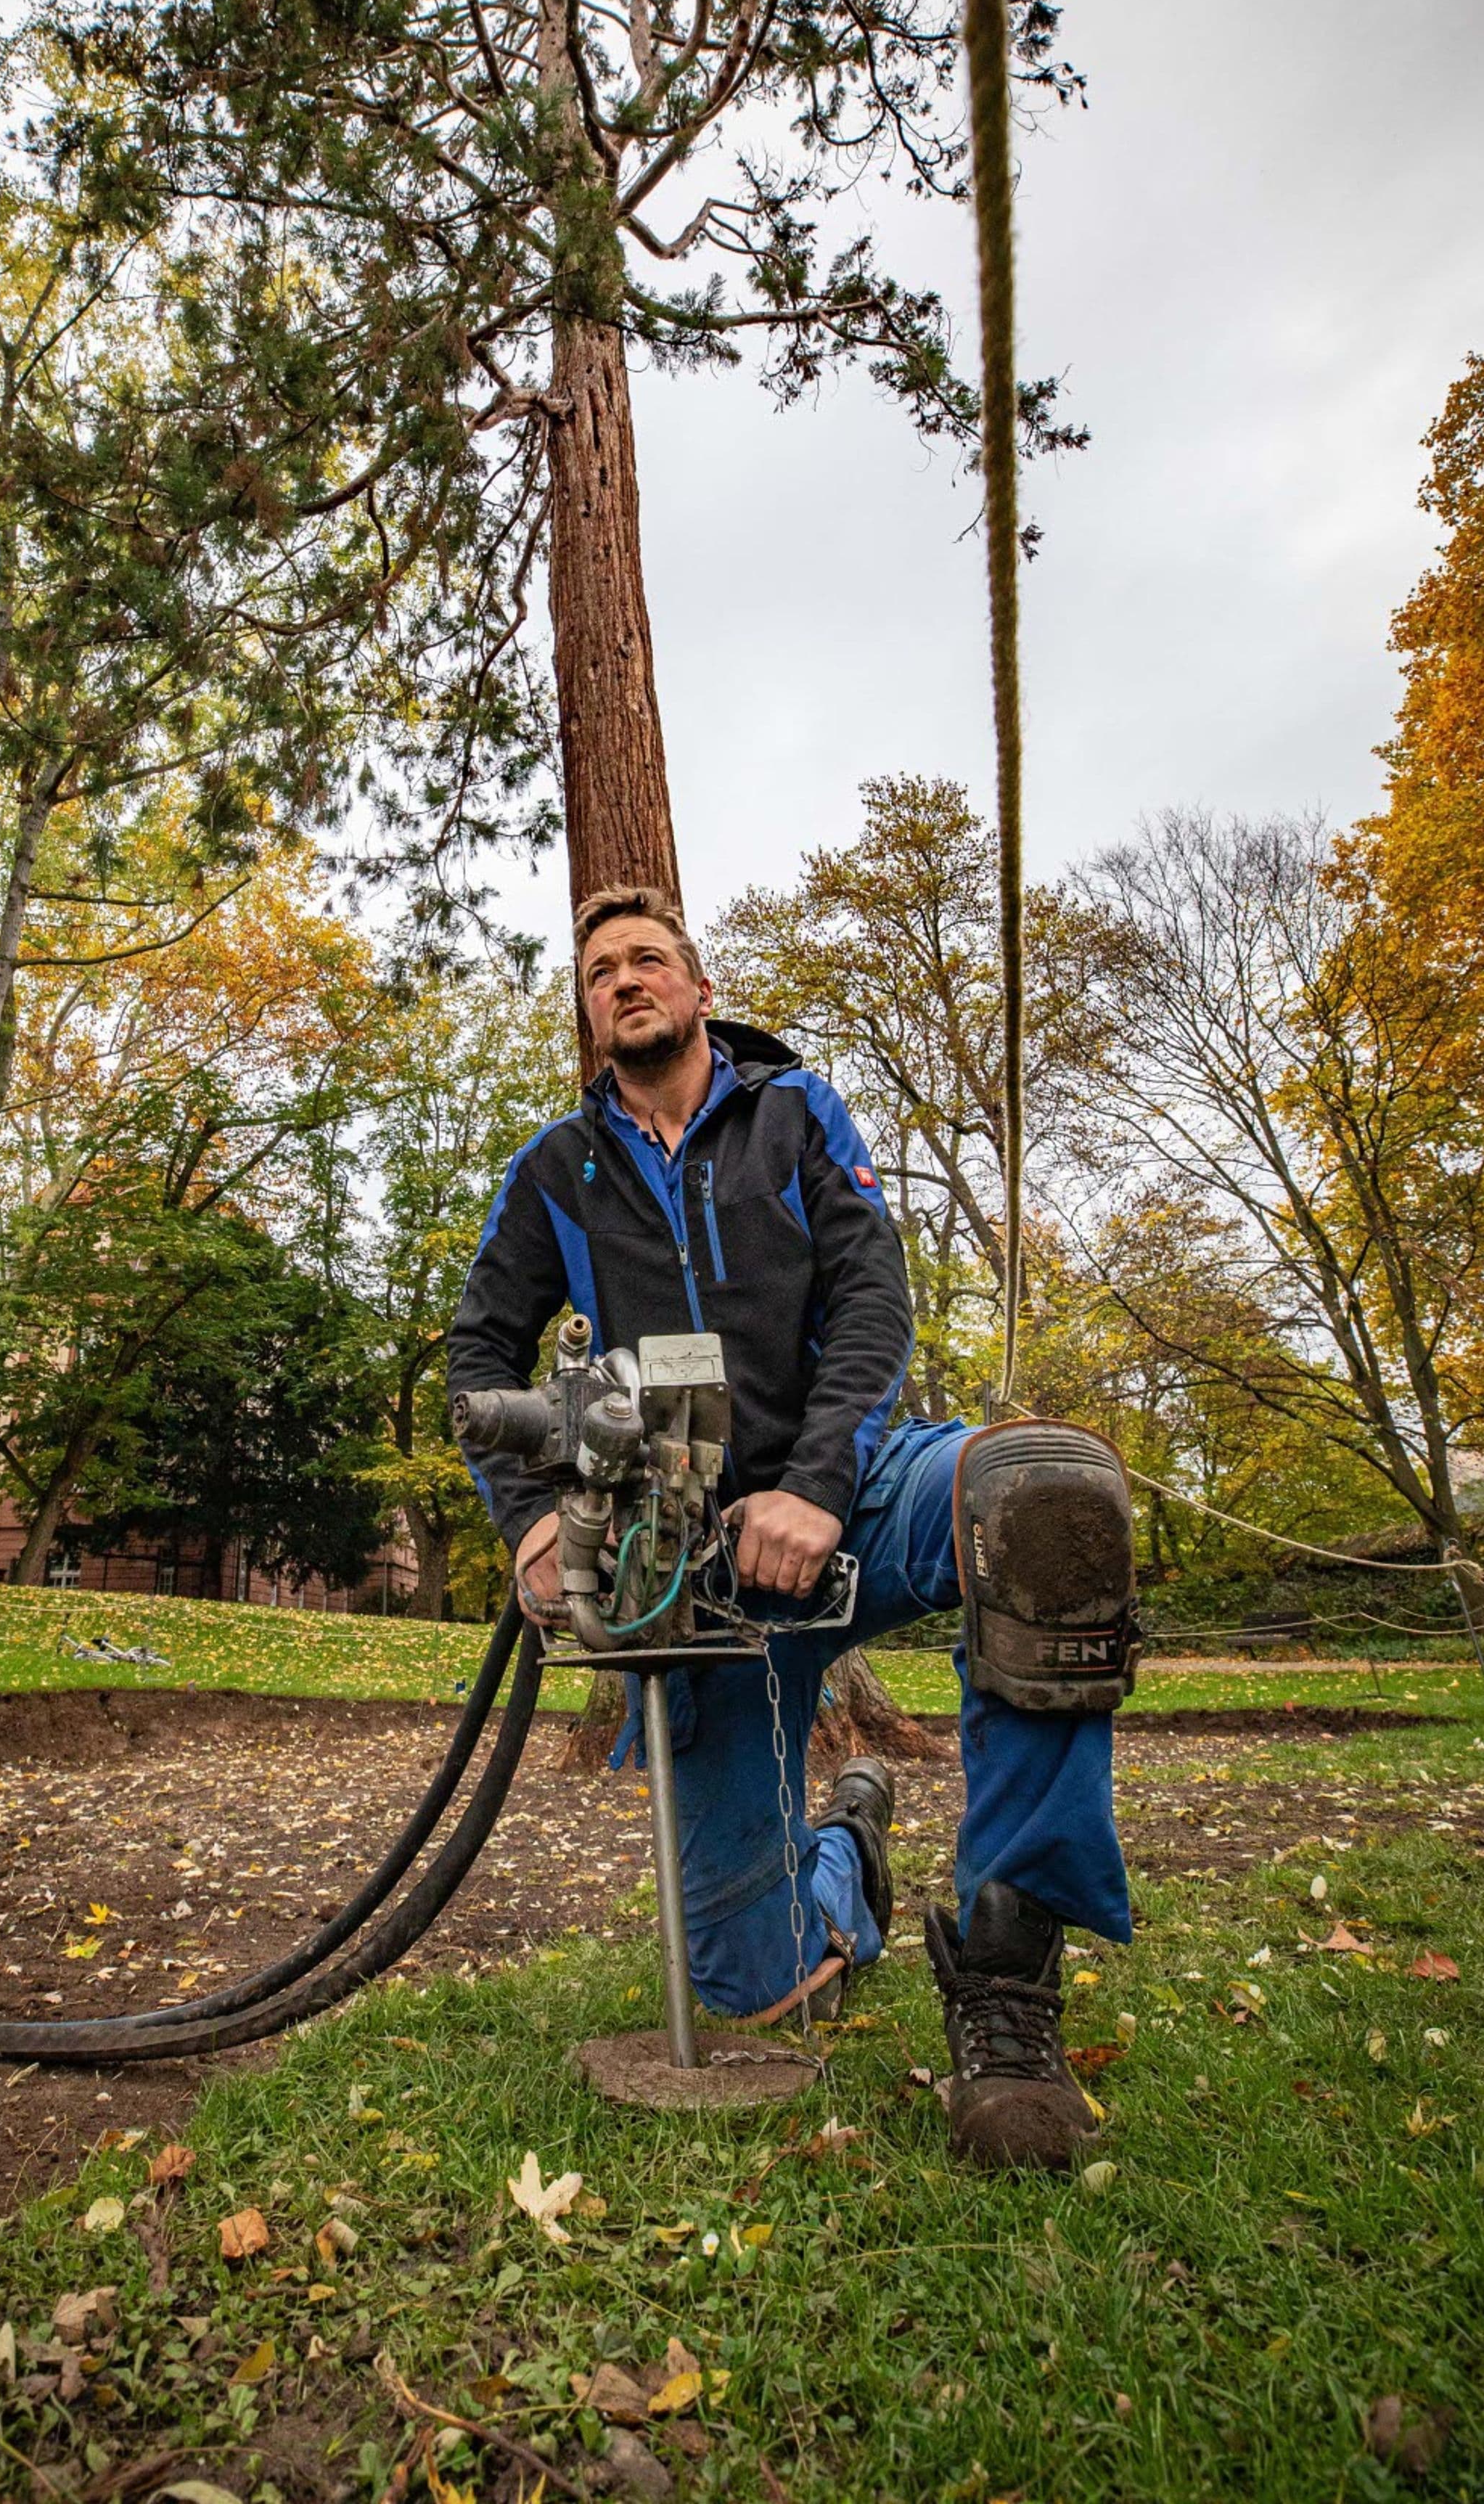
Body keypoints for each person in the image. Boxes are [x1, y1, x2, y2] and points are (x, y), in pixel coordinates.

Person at [448, 885, 1141, 2172]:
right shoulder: (557, 1169)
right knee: (753, 1988)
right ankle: (851, 1855)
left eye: (649, 958)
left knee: (1047, 1498)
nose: (625, 979)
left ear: (701, 990)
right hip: (696, 1577)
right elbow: (479, 1352)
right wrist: (535, 1522)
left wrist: (819, 1483)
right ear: (591, 1012)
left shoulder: (798, 1113)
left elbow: (876, 1299)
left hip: (862, 1492)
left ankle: (1006, 1966)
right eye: (602, 971)